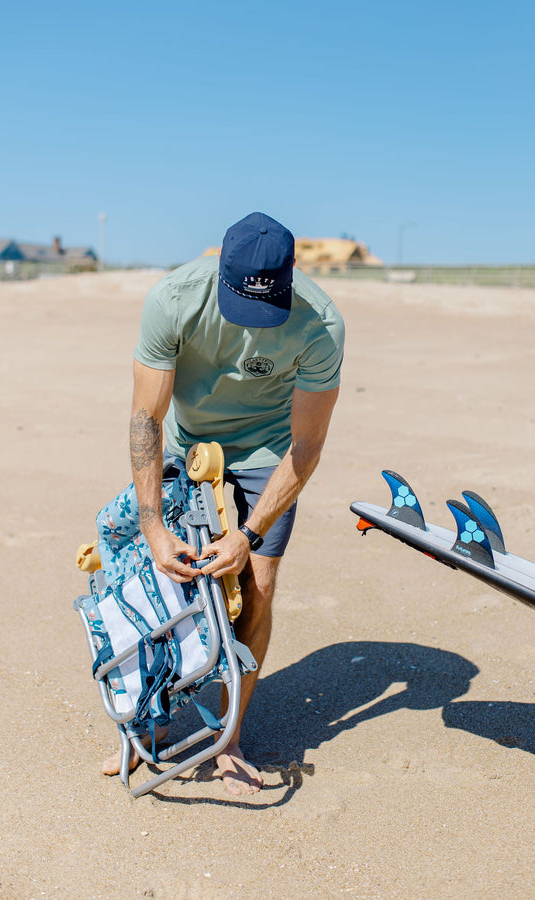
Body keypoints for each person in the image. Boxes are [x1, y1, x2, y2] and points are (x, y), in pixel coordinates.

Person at [102, 212, 345, 795]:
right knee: (161, 582)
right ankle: (145, 725)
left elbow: (307, 448)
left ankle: (230, 735)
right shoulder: (174, 300)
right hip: (187, 442)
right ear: (221, 273)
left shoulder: (320, 325)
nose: (256, 328)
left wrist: (248, 535)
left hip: (269, 450)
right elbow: (146, 419)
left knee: (256, 587)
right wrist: (154, 525)